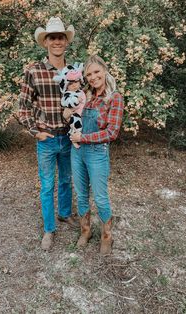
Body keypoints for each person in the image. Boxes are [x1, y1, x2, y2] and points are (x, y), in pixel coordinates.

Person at [18, 17, 78, 251]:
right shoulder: (34, 71)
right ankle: (49, 229)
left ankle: (64, 214)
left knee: (65, 180)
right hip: (47, 139)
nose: (57, 41)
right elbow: (23, 107)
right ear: (45, 42)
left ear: (66, 41)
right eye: (52, 37)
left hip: (69, 137)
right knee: (46, 186)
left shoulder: (74, 72)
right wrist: (36, 132)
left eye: (61, 37)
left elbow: (79, 103)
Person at [69, 55, 124, 255]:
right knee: (82, 195)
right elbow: (69, 114)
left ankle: (106, 236)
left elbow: (112, 133)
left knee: (100, 198)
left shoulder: (114, 97)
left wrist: (82, 137)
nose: (93, 77)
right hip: (77, 152)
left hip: (97, 153)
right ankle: (85, 231)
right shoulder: (84, 95)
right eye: (89, 74)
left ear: (105, 71)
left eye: (96, 72)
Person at [53, 63, 86, 148]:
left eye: (76, 82)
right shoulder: (68, 94)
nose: (74, 85)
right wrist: (76, 100)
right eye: (71, 84)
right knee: (77, 126)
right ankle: (74, 139)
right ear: (66, 86)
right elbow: (66, 102)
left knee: (81, 126)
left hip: (81, 113)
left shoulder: (80, 91)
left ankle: (76, 136)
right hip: (74, 115)